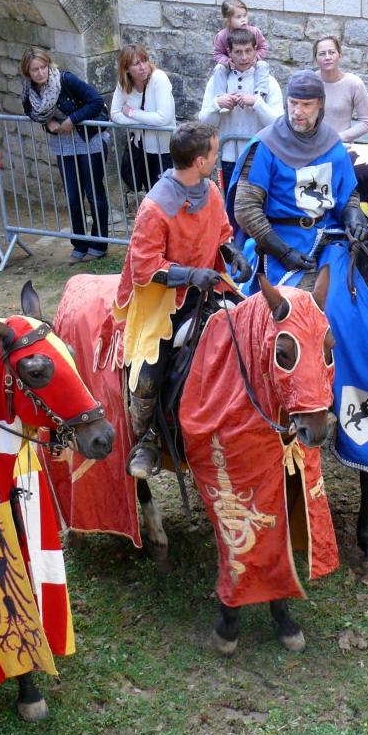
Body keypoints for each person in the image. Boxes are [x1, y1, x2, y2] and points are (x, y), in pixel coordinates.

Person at [113, 122, 251, 479]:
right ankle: (148, 438)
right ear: (200, 161)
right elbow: (144, 267)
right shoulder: (156, 207)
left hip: (210, 290)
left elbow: (221, 232)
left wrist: (232, 253)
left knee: (251, 329)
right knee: (147, 371)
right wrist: (190, 275)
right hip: (162, 301)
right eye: (215, 154)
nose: (218, 158)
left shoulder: (211, 191)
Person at [233, 70, 368, 288]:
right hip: (280, 241)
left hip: (328, 237)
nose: (297, 111)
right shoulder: (265, 146)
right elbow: (246, 209)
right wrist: (284, 253)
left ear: (320, 105)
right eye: (293, 103)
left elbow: (347, 194)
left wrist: (353, 215)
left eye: (306, 105)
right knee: (299, 306)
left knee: (361, 285)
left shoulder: (332, 144)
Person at [20, 46, 111, 261]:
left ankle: (100, 242)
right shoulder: (29, 91)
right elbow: (30, 111)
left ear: (49, 65)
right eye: (35, 70)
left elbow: (96, 101)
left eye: (43, 67)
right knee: (72, 194)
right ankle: (79, 243)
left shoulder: (64, 80)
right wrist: (48, 121)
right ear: (28, 72)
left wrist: (72, 119)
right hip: (63, 145)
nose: (40, 73)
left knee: (93, 192)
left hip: (88, 139)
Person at [196, 28, 282, 192]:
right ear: (229, 52)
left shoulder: (269, 82)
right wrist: (217, 105)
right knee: (231, 207)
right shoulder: (217, 81)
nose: (244, 57)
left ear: (255, 50)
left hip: (260, 157)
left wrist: (257, 102)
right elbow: (205, 121)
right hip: (230, 158)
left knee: (260, 209)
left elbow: (278, 123)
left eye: (248, 51)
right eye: (238, 52)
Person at [110, 43, 175, 195]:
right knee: (150, 197)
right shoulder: (124, 84)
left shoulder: (159, 78)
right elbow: (114, 113)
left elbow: (163, 118)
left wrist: (132, 113)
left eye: (144, 60)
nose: (143, 67)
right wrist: (144, 122)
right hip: (141, 150)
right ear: (126, 68)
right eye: (136, 64)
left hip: (163, 150)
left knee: (163, 198)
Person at [313, 36, 368, 143]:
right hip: (313, 145)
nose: (327, 57)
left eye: (331, 52)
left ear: (340, 55)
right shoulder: (310, 82)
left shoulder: (354, 83)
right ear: (315, 60)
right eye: (322, 53)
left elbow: (367, 122)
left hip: (342, 146)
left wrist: (339, 137)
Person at [212, 0, 270, 74]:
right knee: (219, 68)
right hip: (232, 67)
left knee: (263, 65)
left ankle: (261, 86)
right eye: (238, 17)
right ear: (228, 20)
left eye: (245, 16)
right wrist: (228, 62)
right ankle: (220, 86)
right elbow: (218, 54)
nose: (243, 20)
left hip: (251, 65)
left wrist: (256, 57)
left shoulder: (254, 32)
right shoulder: (222, 36)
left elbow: (263, 47)